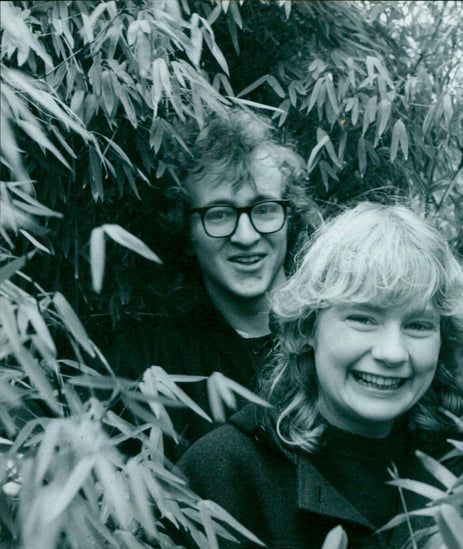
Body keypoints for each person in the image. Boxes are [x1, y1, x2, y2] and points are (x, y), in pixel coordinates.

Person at [177, 202, 463, 549]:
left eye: (418, 325)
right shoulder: (222, 476)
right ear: (307, 329)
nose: (392, 353)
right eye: (363, 319)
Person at [108, 108, 320, 462]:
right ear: (186, 232)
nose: (247, 236)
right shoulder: (147, 363)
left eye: (265, 209)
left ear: (289, 218)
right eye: (219, 214)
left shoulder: (335, 337)